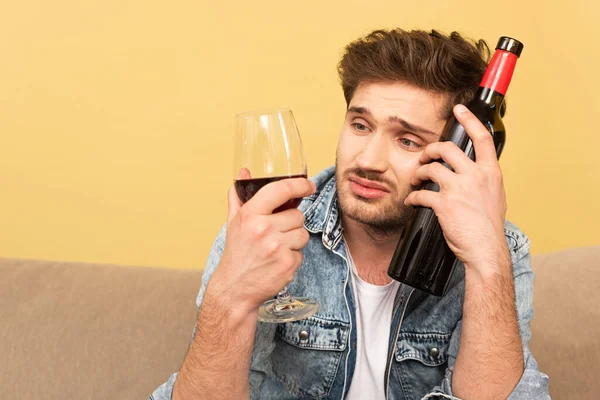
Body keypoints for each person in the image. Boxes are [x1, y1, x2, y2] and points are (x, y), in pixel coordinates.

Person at [151, 29, 550, 400]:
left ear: (456, 155)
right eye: (360, 125)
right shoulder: (265, 232)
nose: (369, 159)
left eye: (407, 140)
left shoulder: (500, 249)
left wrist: (487, 262)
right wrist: (229, 297)